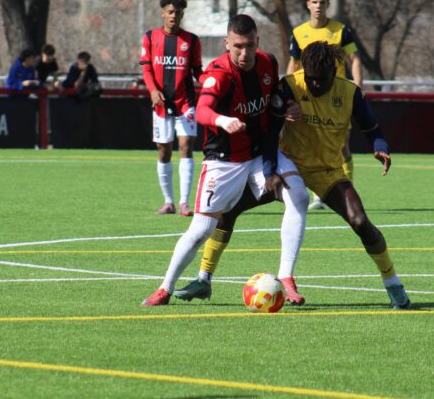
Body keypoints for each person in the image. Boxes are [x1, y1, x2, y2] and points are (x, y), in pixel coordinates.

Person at [176, 42, 412, 310]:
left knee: (360, 221)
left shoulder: (350, 93)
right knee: (227, 211)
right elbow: (268, 131)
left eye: (321, 80)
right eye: (310, 78)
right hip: (287, 165)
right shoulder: (290, 86)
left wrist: (380, 148)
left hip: (327, 171)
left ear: (334, 74)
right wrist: (268, 171)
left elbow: (373, 129)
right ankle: (204, 279)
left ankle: (393, 284)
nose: (315, 85)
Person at [141, 14, 292, 307]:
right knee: (201, 230)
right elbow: (202, 111)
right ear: (227, 44)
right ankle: (164, 289)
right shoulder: (218, 73)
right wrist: (223, 120)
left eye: (249, 46)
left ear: (258, 42)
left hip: (259, 156)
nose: (244, 53)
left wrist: (290, 105)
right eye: (237, 46)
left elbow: (276, 94)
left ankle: (287, 277)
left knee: (296, 194)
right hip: (224, 162)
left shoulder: (268, 63)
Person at [287, 0, 362, 211]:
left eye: (323, 2)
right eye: (315, 2)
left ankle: (346, 189)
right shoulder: (299, 33)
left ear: (328, 5)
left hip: (336, 97)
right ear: (308, 4)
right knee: (309, 143)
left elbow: (355, 60)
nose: (319, 6)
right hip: (308, 97)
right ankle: (318, 195)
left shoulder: (340, 30)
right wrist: (288, 92)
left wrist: (357, 87)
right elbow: (294, 63)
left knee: (342, 146)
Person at [139, 0, 203, 217]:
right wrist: (153, 90)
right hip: (161, 104)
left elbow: (197, 71)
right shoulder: (150, 37)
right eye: (170, 11)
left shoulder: (192, 41)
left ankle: (185, 203)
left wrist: (212, 83)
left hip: (185, 104)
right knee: (163, 151)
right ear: (163, 13)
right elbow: (146, 68)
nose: (174, 16)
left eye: (178, 12)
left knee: (186, 147)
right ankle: (169, 202)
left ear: (182, 14)